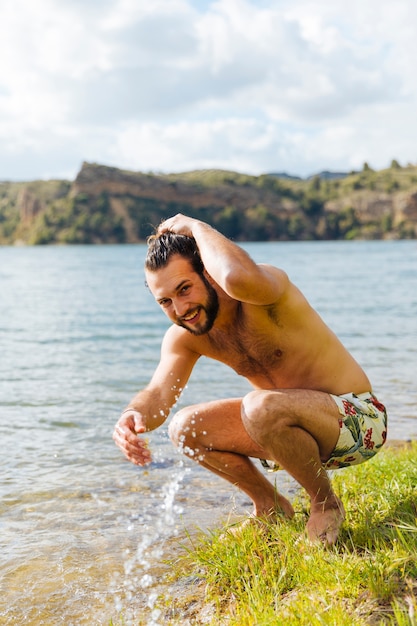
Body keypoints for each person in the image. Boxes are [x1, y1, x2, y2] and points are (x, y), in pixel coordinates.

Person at [113, 214, 387, 546]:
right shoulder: (185, 337)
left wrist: (196, 228)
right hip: (287, 438)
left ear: (210, 275)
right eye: (165, 301)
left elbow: (237, 276)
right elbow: (158, 394)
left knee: (259, 406)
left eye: (184, 289)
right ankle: (270, 507)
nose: (180, 308)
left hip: (359, 422)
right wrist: (132, 415)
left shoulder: (264, 292)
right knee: (184, 428)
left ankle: (324, 504)